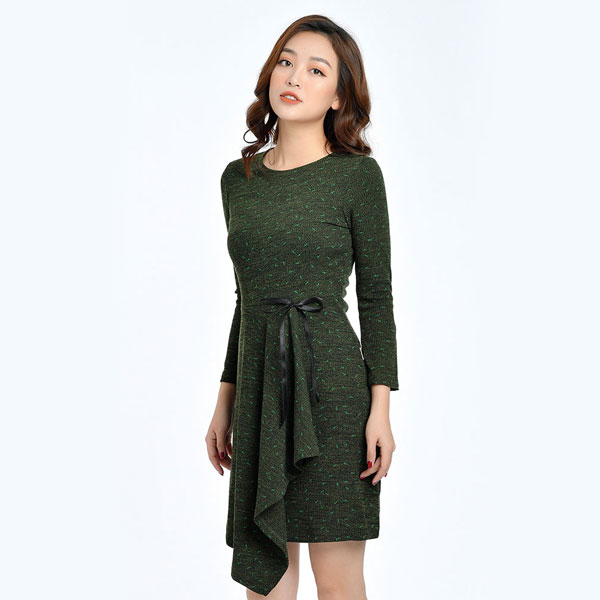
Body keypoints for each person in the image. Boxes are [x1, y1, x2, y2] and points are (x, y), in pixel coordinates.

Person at [205, 14, 399, 599]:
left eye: (316, 70)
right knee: (266, 582)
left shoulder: (357, 177)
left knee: (339, 585)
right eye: (286, 62)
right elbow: (246, 299)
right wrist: (225, 402)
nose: (293, 77)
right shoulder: (237, 180)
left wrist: (381, 409)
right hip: (260, 391)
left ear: (338, 94)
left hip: (334, 394)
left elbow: (376, 298)